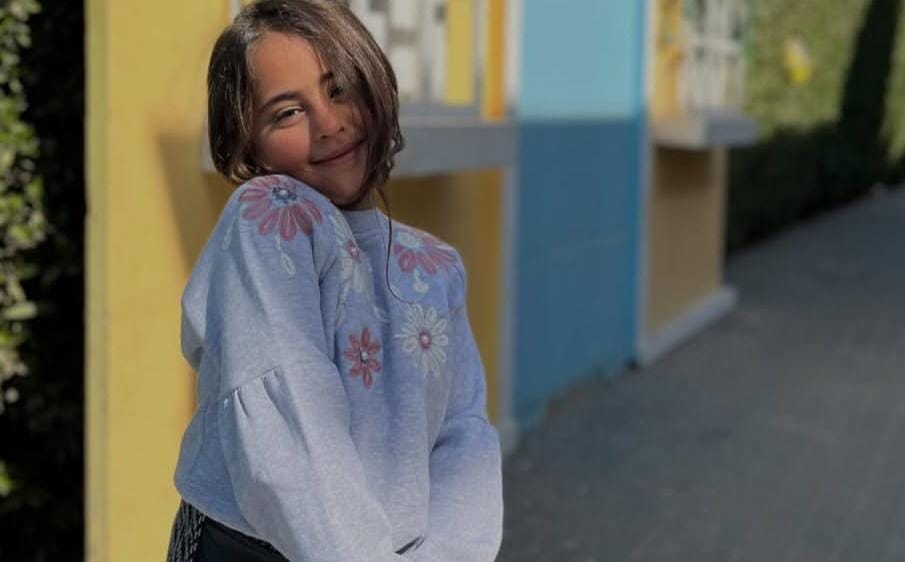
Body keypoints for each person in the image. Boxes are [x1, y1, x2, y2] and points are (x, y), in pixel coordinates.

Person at [165, 1, 503, 560]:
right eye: (287, 113)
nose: (328, 124)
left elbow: (462, 436)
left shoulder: (436, 264)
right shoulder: (271, 215)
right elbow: (289, 420)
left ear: (374, 80)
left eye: (339, 89)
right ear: (248, 144)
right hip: (251, 545)